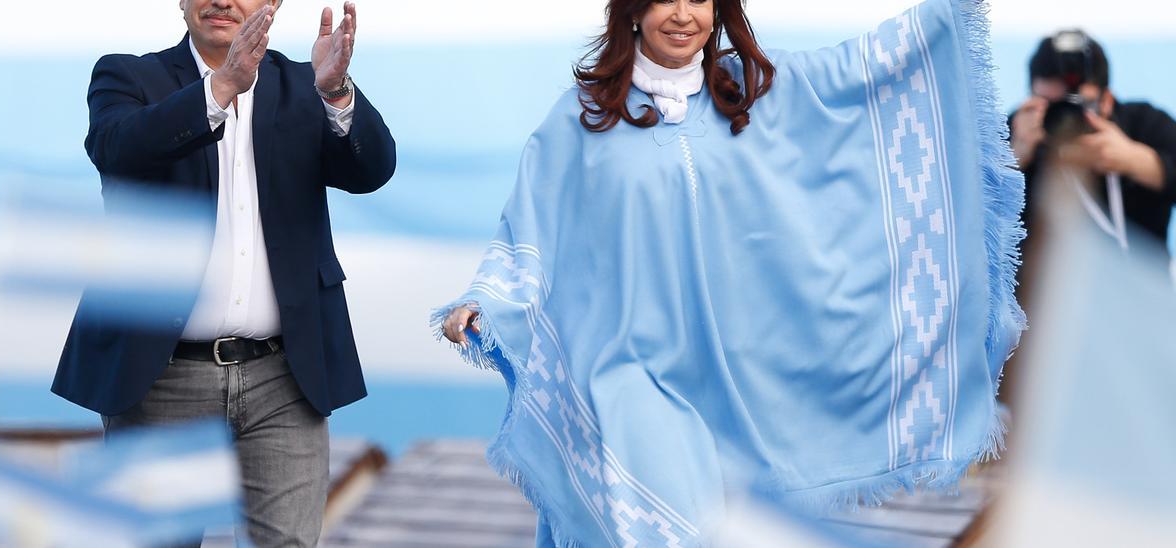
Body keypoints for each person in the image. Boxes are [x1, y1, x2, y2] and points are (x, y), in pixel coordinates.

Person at [435, 0, 1023, 545]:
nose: (684, 14)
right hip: (621, 371)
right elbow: (529, 228)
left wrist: (944, 16)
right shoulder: (581, 118)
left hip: (734, 376)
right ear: (633, 10)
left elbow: (856, 76)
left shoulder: (755, 93)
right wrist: (485, 300)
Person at [51, 0, 396, 545]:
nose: (223, 1)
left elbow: (372, 169)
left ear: (274, 4)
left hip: (284, 378)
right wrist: (222, 86)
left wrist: (335, 92)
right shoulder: (127, 75)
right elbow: (120, 148)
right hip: (162, 378)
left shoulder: (304, 84)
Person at [1011, 30, 1176, 259]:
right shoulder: (1012, 133)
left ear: (1107, 101)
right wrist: (1013, 160)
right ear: (1030, 99)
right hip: (1042, 291)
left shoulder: (1142, 125)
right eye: (1053, 107)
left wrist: (1134, 160)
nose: (1066, 119)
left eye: (1079, 105)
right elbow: (965, 216)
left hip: (1138, 288)